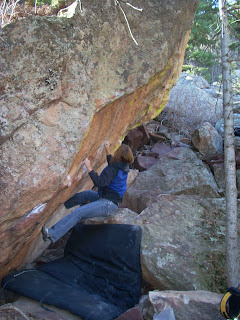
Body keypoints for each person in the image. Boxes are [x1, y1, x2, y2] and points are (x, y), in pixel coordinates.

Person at [41, 141, 134, 243]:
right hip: (106, 198)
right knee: (86, 194)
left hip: (108, 204)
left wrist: (89, 167)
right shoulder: (123, 166)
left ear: (118, 154)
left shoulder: (114, 169)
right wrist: (107, 149)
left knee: (79, 212)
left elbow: (99, 182)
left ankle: (51, 234)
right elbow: (111, 163)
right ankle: (62, 206)